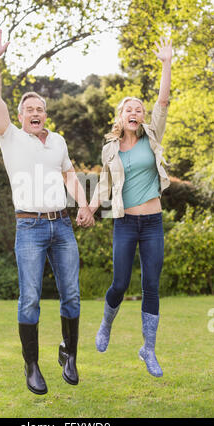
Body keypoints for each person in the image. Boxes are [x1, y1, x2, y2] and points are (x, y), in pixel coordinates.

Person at [0, 27, 94, 395]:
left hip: (61, 226)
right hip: (29, 228)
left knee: (72, 295)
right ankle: (31, 366)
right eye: (29, 109)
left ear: (46, 115)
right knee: (30, 297)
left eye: (40, 109)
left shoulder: (58, 141)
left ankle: (70, 354)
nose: (36, 113)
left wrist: (83, 203)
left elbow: (69, 174)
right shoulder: (10, 136)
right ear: (19, 116)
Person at [89, 37, 172, 377]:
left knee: (151, 285)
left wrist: (166, 63)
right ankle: (106, 325)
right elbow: (104, 185)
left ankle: (148, 349)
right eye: (129, 109)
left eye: (139, 108)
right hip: (124, 223)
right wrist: (89, 208)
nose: (135, 112)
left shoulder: (153, 135)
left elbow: (163, 101)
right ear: (120, 117)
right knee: (120, 284)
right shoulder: (110, 149)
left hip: (152, 222)